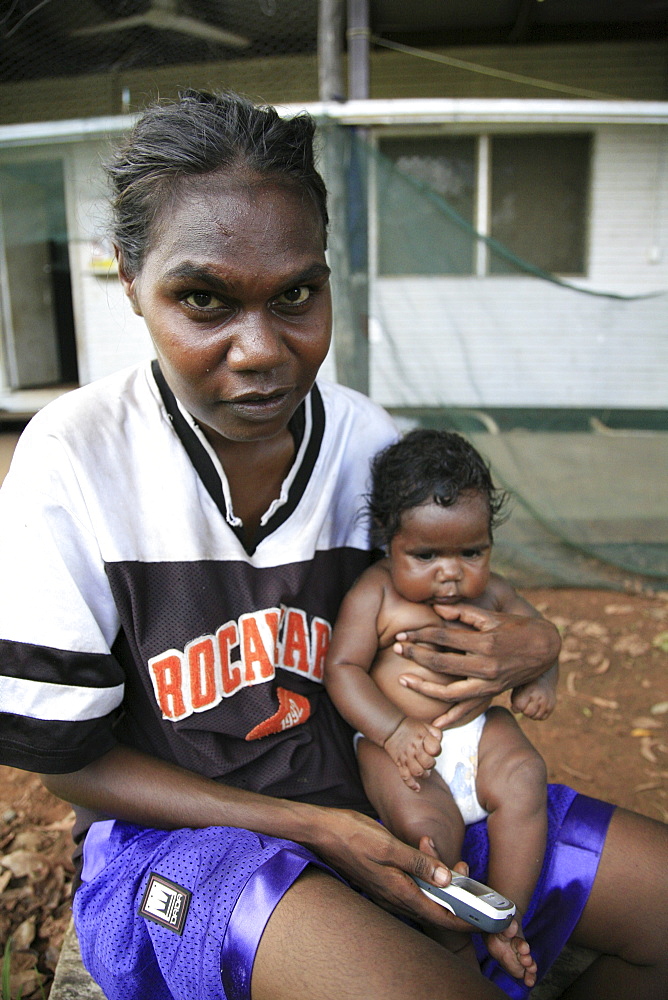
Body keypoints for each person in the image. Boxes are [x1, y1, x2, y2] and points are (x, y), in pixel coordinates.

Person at [0, 90, 664, 1000]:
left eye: (296, 295)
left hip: (385, 790)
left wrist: (535, 642)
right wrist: (309, 830)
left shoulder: (364, 441)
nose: (261, 348)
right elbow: (65, 757)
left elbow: (446, 599)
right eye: (202, 299)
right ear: (127, 278)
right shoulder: (74, 457)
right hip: (184, 850)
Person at [325, 429, 559, 988]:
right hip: (401, 750)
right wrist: (394, 728)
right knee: (429, 830)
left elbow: (540, 635)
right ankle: (450, 942)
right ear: (388, 541)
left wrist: (541, 678)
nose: (450, 572)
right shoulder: (376, 592)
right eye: (426, 555)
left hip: (478, 732)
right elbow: (343, 670)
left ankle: (504, 917)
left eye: (470, 552)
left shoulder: (494, 592)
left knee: (527, 775)